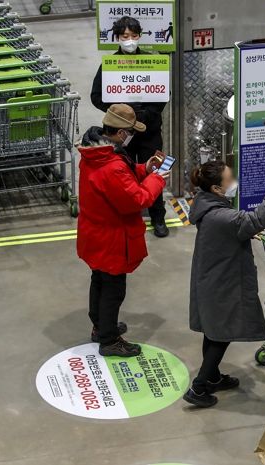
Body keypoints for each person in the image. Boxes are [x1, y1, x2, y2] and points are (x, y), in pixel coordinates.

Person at [185, 161, 265, 408]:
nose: (233, 181)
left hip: (212, 278)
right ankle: (199, 387)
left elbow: (239, 228)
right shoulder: (223, 216)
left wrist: (242, 231)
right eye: (229, 179)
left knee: (213, 330)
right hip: (223, 283)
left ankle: (212, 377)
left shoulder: (206, 205)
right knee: (221, 335)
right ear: (216, 188)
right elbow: (256, 220)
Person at [76, 104, 169, 357]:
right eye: (129, 132)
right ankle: (109, 340)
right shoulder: (113, 165)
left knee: (99, 280)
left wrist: (143, 170)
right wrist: (157, 179)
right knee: (114, 289)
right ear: (118, 133)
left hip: (94, 233)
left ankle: (100, 327)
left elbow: (120, 181)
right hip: (112, 238)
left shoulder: (96, 153)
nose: (131, 136)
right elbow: (136, 199)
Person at [91, 16, 170, 237]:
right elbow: (96, 97)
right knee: (124, 174)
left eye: (134, 36)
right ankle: (128, 215)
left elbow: (164, 94)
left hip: (149, 130)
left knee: (153, 169)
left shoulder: (152, 62)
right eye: (125, 36)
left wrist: (146, 113)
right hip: (122, 133)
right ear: (117, 38)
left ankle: (158, 217)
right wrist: (120, 112)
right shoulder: (109, 66)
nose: (130, 40)